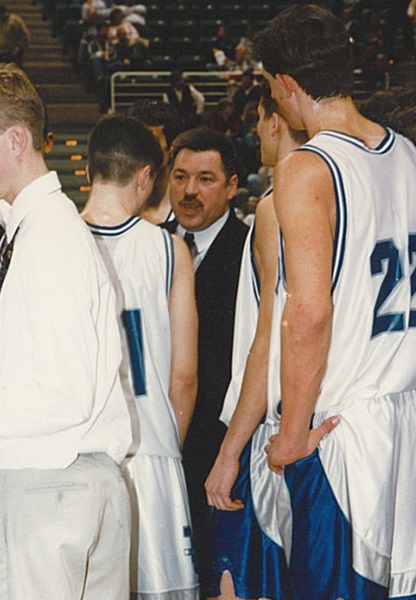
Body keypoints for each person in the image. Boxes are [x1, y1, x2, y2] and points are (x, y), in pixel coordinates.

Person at [253, 5, 416, 599]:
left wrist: (294, 432)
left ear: (287, 85)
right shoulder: (407, 155)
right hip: (404, 418)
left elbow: (310, 313)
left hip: (342, 433)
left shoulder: (308, 167)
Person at [0, 63, 133, 599]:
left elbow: (62, 393)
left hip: (52, 483)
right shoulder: (35, 230)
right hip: (62, 480)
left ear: (15, 139)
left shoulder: (51, 238)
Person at [81, 114, 199, 600]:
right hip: (149, 450)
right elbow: (184, 377)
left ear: (89, 172)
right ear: (147, 176)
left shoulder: (49, 241)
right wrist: (167, 447)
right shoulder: (170, 249)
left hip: (76, 456)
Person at [205, 81, 307, 600]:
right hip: (313, 423)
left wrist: (228, 452)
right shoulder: (328, 194)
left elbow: (268, 340)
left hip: (268, 429)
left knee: (237, 584)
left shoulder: (275, 206)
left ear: (274, 119)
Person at [166, 127, 249, 598]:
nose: (190, 191)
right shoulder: (150, 245)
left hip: (221, 448)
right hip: (158, 439)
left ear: (233, 185)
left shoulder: (254, 250)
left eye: (205, 179)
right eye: (180, 177)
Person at [128, 98, 185, 225]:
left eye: (148, 143)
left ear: (172, 149)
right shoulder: (116, 213)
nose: (138, 150)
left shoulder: (191, 215)